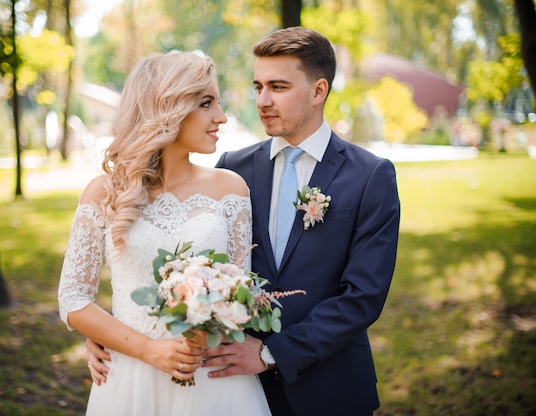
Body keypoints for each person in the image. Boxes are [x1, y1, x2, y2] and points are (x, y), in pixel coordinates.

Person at [87, 27, 400, 415]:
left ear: (319, 91)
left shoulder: (371, 176)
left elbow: (363, 297)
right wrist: (113, 335)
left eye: (279, 87)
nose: (263, 100)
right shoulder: (232, 170)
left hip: (329, 387)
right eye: (258, 87)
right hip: (231, 386)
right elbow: (179, 266)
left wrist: (272, 353)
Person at [58, 51, 271, 415]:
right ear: (167, 108)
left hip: (214, 379)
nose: (220, 117)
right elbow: (73, 298)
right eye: (206, 104)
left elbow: (242, 291)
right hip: (131, 380)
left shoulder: (231, 190)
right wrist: (145, 348)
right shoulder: (104, 193)